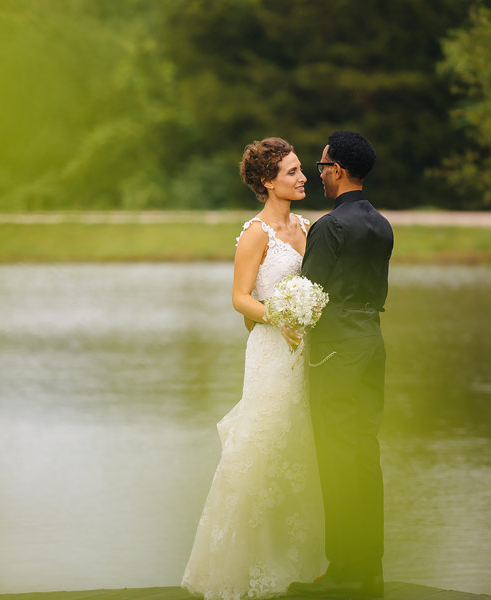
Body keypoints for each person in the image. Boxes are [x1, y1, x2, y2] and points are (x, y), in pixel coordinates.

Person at [181, 137, 327, 600]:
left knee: (302, 447)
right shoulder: (255, 234)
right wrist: (279, 316)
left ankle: (301, 559)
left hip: (308, 353)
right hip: (270, 351)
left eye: (302, 169)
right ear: (268, 181)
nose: (303, 177)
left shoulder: (307, 228)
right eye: (292, 172)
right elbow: (240, 297)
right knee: (262, 445)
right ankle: (239, 564)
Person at [288, 131, 393, 599]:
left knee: (336, 455)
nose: (319, 174)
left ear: (339, 171)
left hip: (337, 350)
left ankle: (344, 571)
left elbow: (307, 297)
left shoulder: (330, 228)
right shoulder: (382, 225)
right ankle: (370, 570)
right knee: (365, 453)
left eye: (322, 166)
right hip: (372, 343)